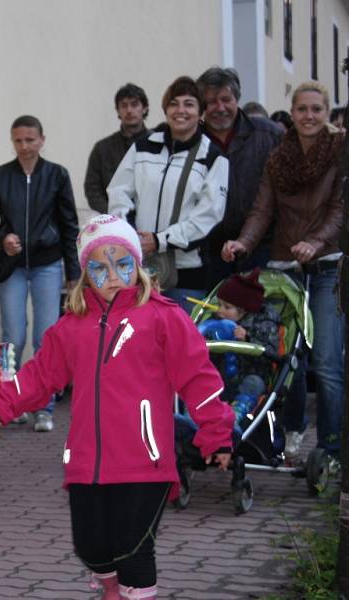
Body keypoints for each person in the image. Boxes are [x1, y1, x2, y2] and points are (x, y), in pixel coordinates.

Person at [0, 215, 234, 600]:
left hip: (144, 464)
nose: (112, 275)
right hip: (87, 463)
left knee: (133, 552)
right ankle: (112, 589)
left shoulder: (164, 317)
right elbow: (39, 376)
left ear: (138, 264)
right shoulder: (71, 326)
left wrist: (216, 434)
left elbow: (199, 379)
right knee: (91, 548)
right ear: (85, 273)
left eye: (122, 263)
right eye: (99, 267)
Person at [222, 81, 345, 465]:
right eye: (302, 109)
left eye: (317, 110)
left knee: (326, 363)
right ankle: (292, 432)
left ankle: (331, 448)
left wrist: (316, 243)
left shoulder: (341, 151)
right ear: (291, 114)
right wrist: (243, 241)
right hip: (284, 267)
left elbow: (341, 210)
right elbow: (262, 210)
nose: (309, 116)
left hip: (327, 267)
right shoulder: (278, 158)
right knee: (287, 358)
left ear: (326, 113)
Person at [0, 115, 81, 433]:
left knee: (46, 337)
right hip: (12, 267)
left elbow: (69, 225)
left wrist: (73, 272)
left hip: (48, 264)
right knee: (13, 338)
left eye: (30, 139)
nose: (24, 146)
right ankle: (14, 403)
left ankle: (45, 407)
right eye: (18, 140)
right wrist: (1, 238)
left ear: (42, 139)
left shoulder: (57, 175)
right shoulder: (0, 176)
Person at [108, 76, 229, 313]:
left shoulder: (213, 157)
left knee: (179, 345)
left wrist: (160, 240)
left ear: (201, 112)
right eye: (174, 103)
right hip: (140, 267)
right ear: (165, 110)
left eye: (189, 104)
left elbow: (208, 216)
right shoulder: (142, 147)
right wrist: (130, 235)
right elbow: (119, 193)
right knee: (139, 341)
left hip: (187, 272)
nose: (180, 110)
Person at [195, 67, 282, 288]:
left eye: (226, 99)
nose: (220, 108)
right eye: (212, 101)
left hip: (262, 248)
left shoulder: (269, 135)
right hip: (208, 251)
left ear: (237, 99)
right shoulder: (193, 140)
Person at [211, 268, 281, 414]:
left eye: (227, 307)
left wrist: (248, 338)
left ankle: (237, 414)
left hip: (251, 374)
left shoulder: (262, 323)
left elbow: (271, 352)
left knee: (253, 383)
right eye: (219, 305)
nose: (220, 310)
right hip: (223, 377)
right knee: (204, 380)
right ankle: (196, 415)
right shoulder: (216, 322)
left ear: (243, 310)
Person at [84, 83, 150, 214]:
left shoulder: (158, 144)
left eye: (134, 104)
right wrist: (114, 215)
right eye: (124, 105)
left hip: (151, 221)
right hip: (114, 221)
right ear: (118, 110)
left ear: (145, 108)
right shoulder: (103, 148)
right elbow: (92, 189)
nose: (129, 110)